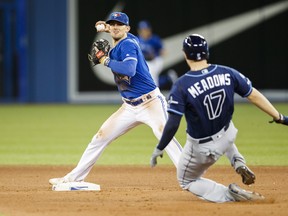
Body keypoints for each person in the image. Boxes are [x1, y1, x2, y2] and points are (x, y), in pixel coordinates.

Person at [150, 34, 288, 203]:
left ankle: (229, 194)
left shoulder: (181, 85)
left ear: (185, 54)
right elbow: (254, 96)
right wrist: (279, 116)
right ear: (207, 52)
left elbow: (173, 123)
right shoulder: (227, 73)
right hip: (228, 135)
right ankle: (238, 162)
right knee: (225, 125)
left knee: (186, 181)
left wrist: (160, 146)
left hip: (203, 149)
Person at [49, 12, 183, 186]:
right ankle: (73, 178)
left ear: (127, 28)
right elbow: (118, 32)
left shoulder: (128, 44)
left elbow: (129, 69)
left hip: (151, 103)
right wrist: (106, 28)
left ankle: (190, 177)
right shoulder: (127, 38)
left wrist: (105, 60)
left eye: (120, 24)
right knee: (100, 137)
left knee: (165, 136)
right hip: (129, 107)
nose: (115, 26)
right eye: (112, 24)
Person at [136, 20, 177, 87]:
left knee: (151, 75)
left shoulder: (154, 39)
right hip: (144, 61)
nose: (144, 32)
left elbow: (164, 52)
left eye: (146, 29)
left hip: (155, 60)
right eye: (142, 30)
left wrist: (155, 54)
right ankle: (167, 78)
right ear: (139, 31)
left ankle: (155, 93)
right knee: (148, 78)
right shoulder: (137, 40)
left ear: (149, 30)